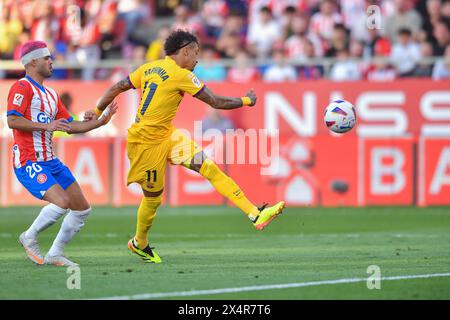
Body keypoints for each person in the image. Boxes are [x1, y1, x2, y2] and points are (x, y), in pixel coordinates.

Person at [86, 29, 286, 264]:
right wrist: (246, 101)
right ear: (185, 51)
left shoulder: (149, 68)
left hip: (168, 136)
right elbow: (215, 101)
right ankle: (139, 243)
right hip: (146, 144)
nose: (197, 59)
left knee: (208, 167)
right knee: (153, 199)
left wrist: (97, 110)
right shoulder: (180, 74)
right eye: (196, 53)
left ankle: (255, 214)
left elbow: (117, 86)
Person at [6, 41, 117, 267]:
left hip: (51, 161)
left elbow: (69, 126)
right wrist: (46, 126)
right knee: (61, 202)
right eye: (46, 58)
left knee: (83, 209)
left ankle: (54, 253)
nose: (51, 61)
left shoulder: (51, 95)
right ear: (33, 61)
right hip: (28, 160)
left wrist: (101, 121)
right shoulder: (21, 87)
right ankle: (29, 236)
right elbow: (12, 120)